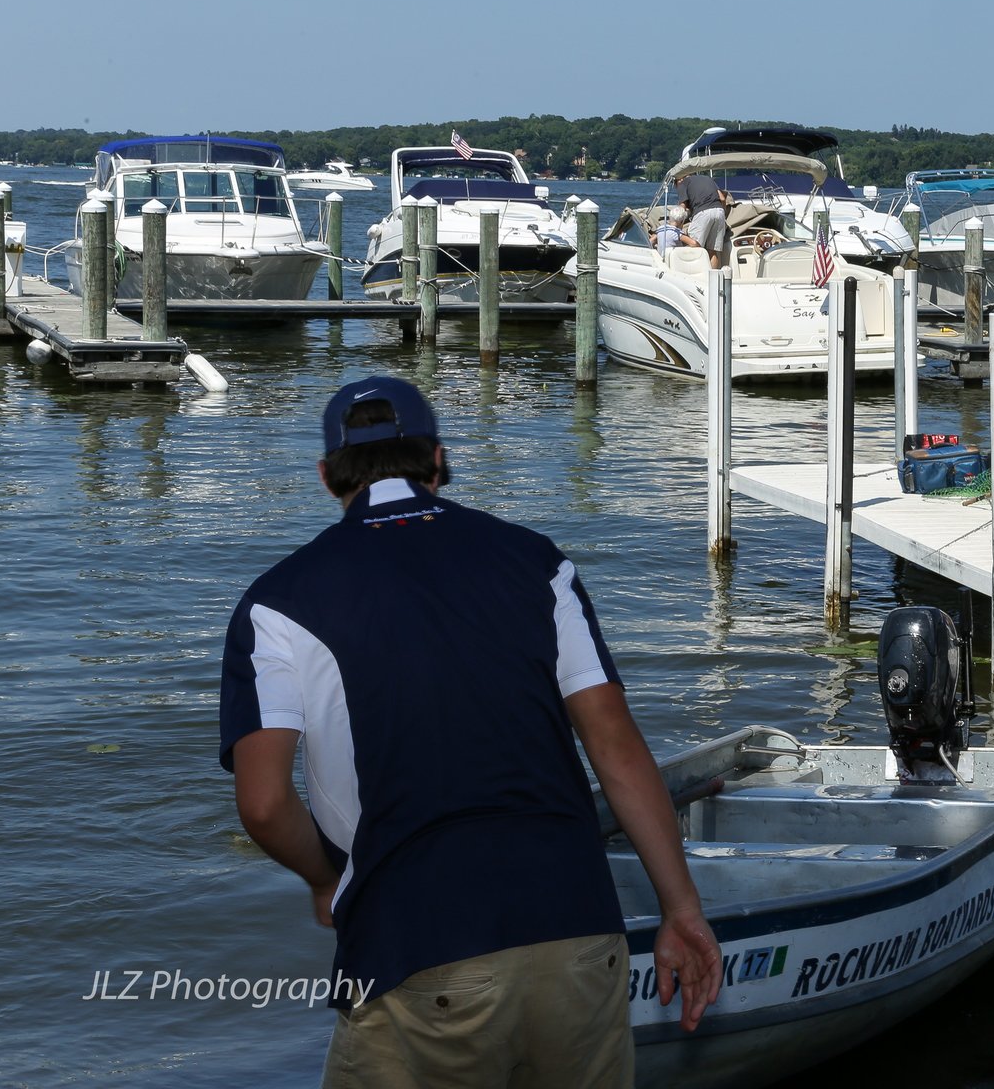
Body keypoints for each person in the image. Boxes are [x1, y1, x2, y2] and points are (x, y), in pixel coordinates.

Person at [220, 377, 721, 1087]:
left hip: (418, 944)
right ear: (439, 460)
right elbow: (614, 743)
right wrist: (682, 908)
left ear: (328, 475)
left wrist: (329, 879)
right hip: (578, 929)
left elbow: (265, 803)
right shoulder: (537, 561)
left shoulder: (278, 602)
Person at [680, 175, 732, 268]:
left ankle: (697, 279)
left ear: (679, 180)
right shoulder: (708, 178)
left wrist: (678, 225)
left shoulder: (683, 183)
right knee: (713, 251)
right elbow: (722, 199)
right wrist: (723, 214)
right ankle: (714, 280)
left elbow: (682, 207)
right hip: (719, 212)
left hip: (702, 213)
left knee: (695, 248)